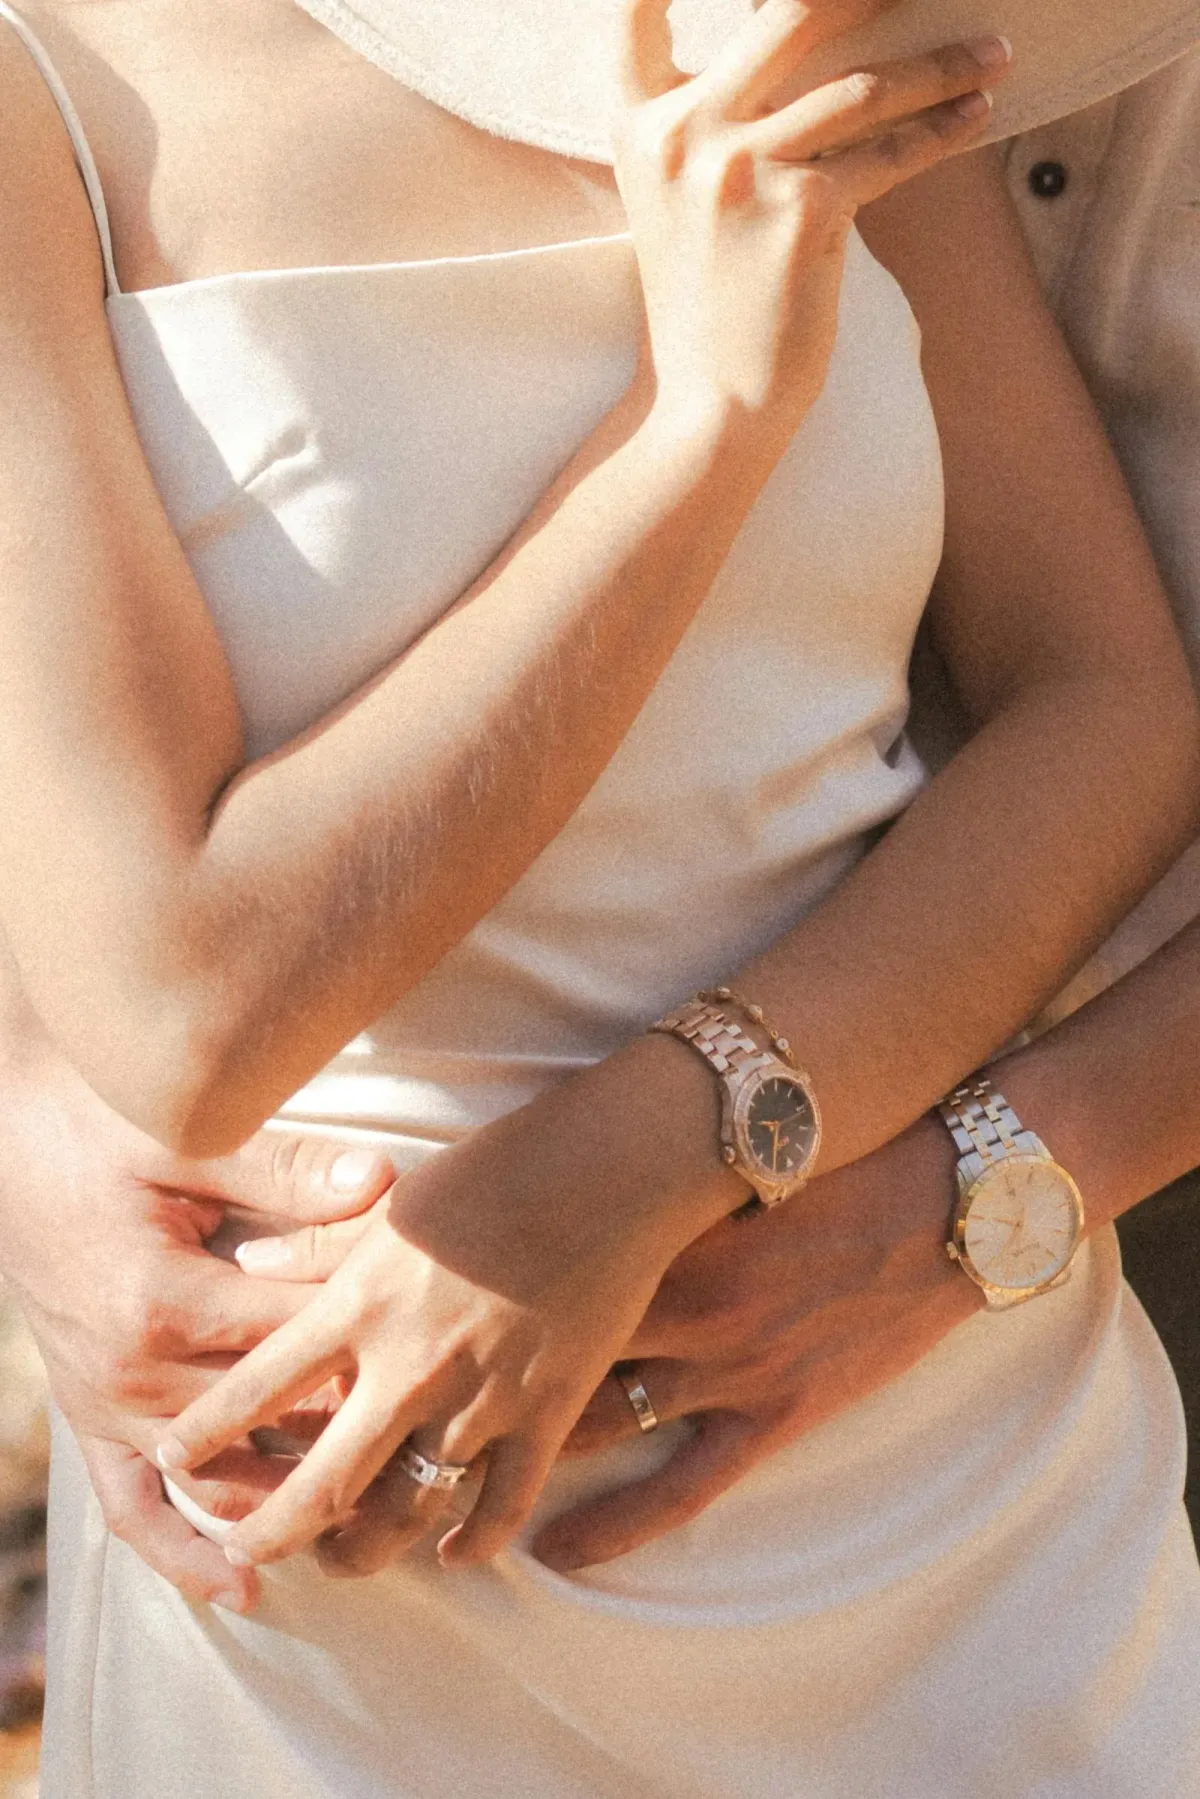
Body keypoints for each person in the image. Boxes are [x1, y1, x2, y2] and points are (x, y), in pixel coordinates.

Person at [0, 0, 1198, 1792]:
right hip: (340, 1586)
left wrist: (654, 1149)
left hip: (955, 1496)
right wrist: (697, 433)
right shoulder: (55, 77)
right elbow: (187, 1008)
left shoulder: (827, 29)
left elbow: (1101, 706)